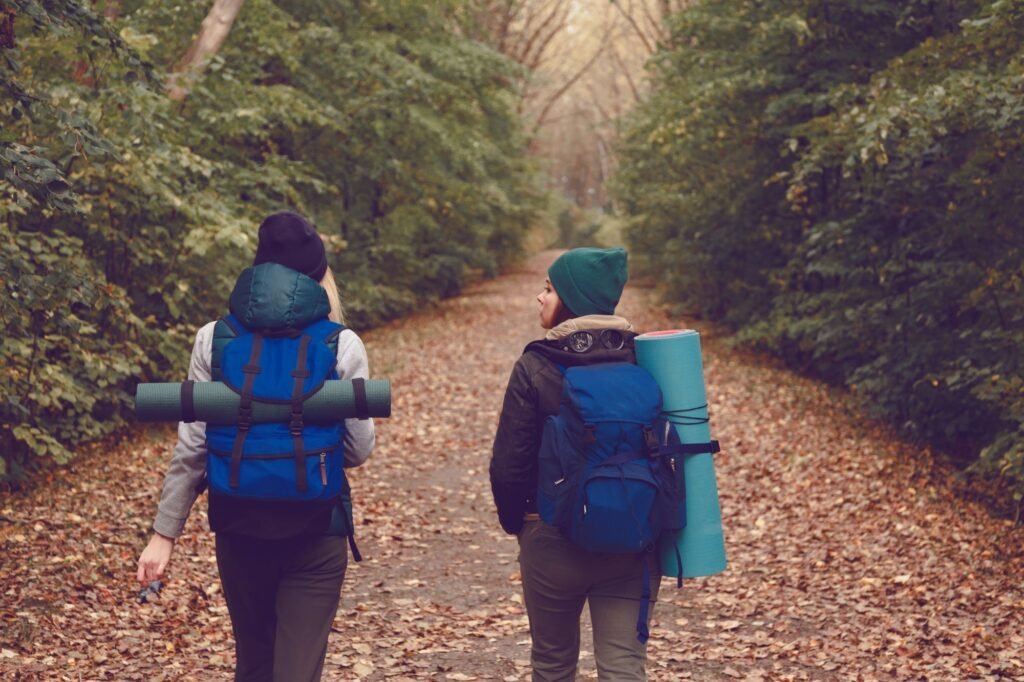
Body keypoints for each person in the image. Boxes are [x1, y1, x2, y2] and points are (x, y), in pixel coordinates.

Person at [136, 211, 375, 682]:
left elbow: (195, 446)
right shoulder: (340, 342)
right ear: (319, 275)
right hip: (317, 527)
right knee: (296, 671)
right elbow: (357, 449)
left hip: (239, 527)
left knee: (254, 663)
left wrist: (164, 535)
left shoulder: (215, 338)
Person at [490, 247, 660, 681]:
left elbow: (509, 463)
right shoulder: (647, 358)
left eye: (548, 288)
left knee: (552, 664)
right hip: (634, 537)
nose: (540, 297)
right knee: (624, 667)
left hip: (551, 536)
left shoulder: (535, 364)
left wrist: (523, 526)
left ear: (571, 298)